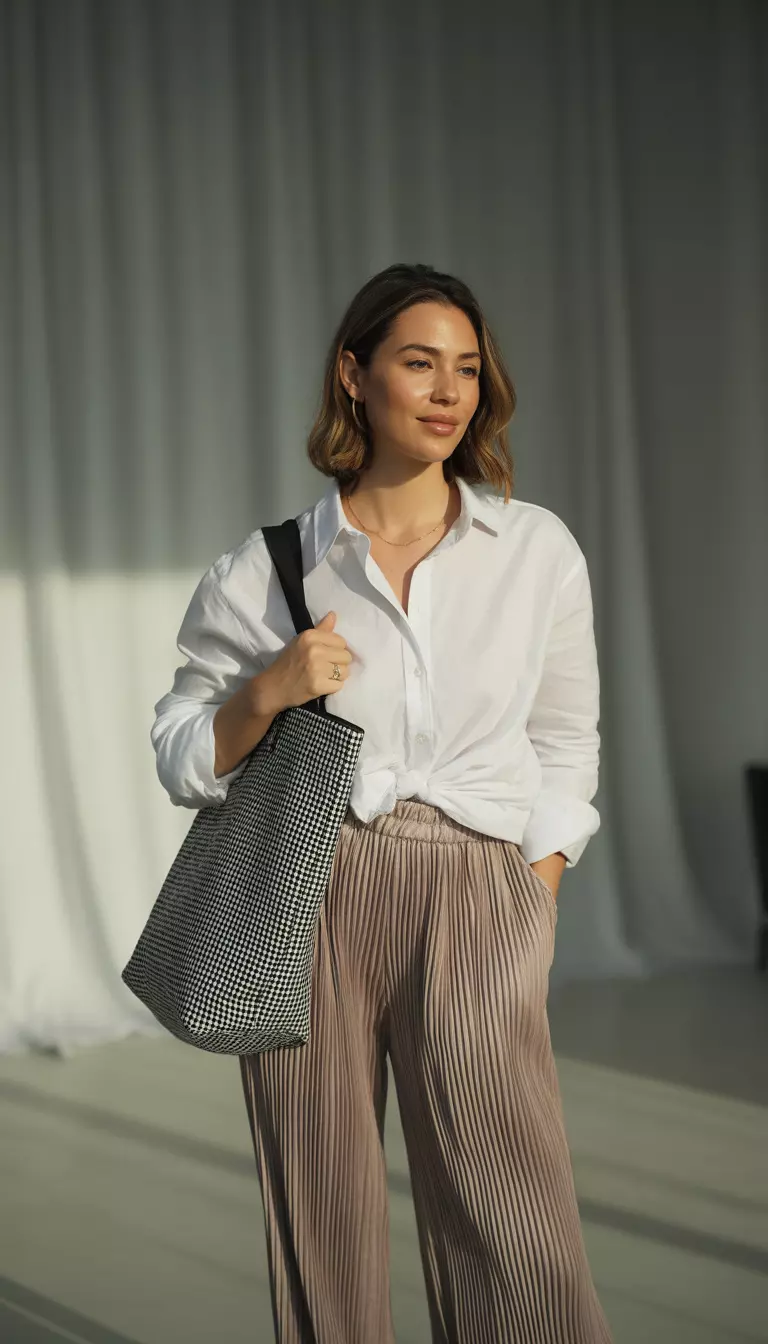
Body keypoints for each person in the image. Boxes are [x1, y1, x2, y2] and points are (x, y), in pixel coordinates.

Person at [151, 263, 613, 1344]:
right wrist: (269, 687)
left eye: (466, 368)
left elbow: (565, 739)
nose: (448, 391)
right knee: (320, 1208)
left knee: (514, 1214)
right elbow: (179, 751)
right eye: (419, 363)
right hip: (309, 891)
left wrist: (536, 890)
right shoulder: (268, 570)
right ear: (354, 375)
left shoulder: (534, 550)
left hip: (479, 886)